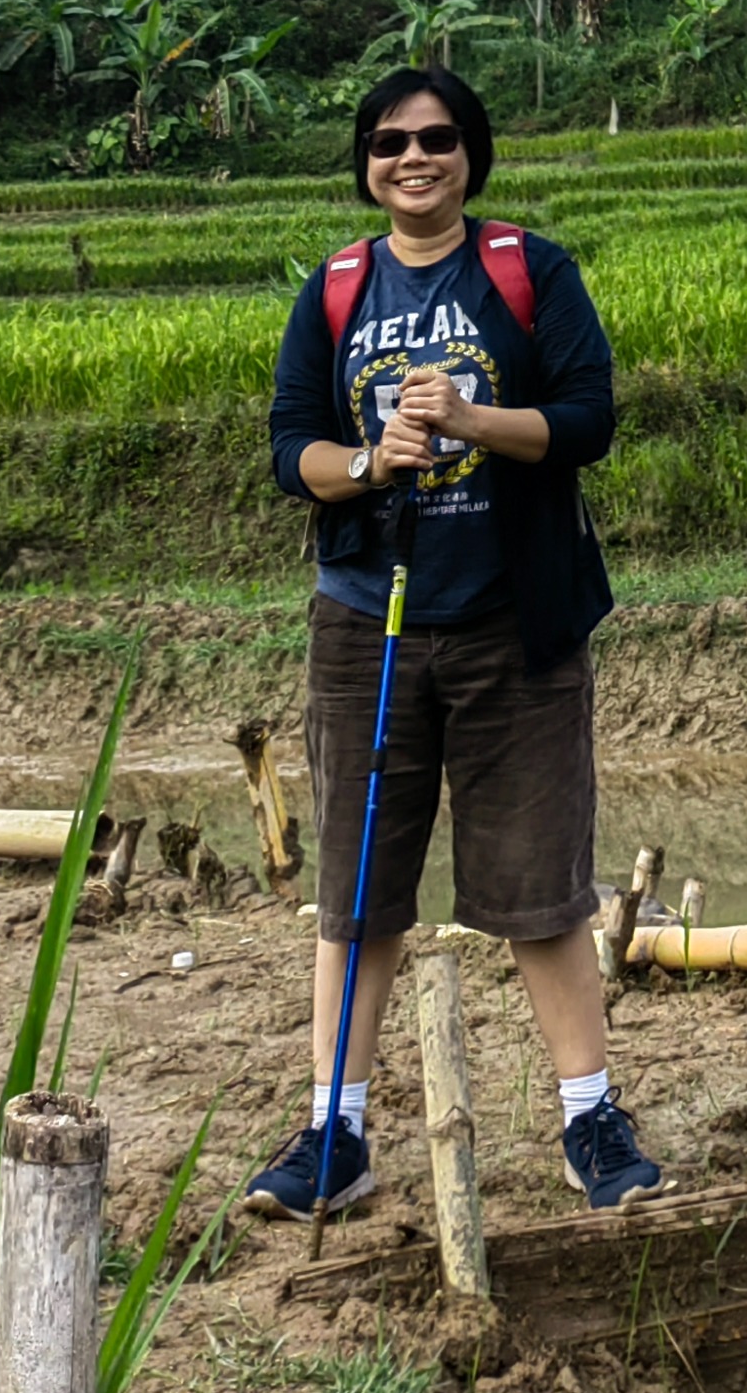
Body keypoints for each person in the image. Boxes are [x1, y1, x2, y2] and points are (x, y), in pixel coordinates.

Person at [242, 63, 663, 1220]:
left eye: (436, 138)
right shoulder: (335, 288)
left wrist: (472, 419)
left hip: (513, 626)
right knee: (357, 885)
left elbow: (588, 419)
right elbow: (292, 448)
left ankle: (591, 1118)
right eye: (388, 143)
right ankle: (338, 1128)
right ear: (366, 163)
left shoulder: (528, 270)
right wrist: (374, 459)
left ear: (471, 154)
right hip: (367, 624)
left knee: (540, 887)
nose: (412, 158)